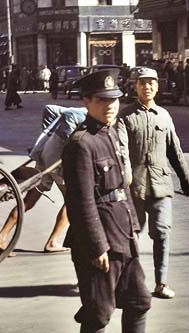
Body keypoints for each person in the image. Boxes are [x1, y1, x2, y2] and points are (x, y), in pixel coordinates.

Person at [62, 69, 152, 332]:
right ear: (86, 101)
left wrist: (133, 230)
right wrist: (96, 247)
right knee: (99, 313)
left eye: (114, 100)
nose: (110, 106)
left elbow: (121, 189)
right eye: (102, 100)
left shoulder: (110, 133)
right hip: (100, 242)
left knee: (138, 301)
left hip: (123, 235)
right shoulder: (81, 144)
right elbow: (81, 203)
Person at [119, 67, 189, 299]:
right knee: (131, 235)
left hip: (161, 185)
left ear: (157, 86)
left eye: (151, 83)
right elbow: (121, 151)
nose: (147, 87)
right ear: (135, 87)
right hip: (135, 187)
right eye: (142, 83)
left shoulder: (163, 115)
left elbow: (175, 150)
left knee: (162, 233)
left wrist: (186, 179)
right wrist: (125, 180)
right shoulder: (125, 116)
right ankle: (127, 282)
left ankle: (161, 283)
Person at [0, 104, 87, 255]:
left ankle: (1, 237)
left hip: (45, 154)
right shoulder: (85, 114)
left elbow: (49, 109)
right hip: (56, 158)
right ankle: (53, 242)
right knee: (72, 200)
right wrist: (69, 144)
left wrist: (47, 135)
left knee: (29, 200)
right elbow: (69, 115)